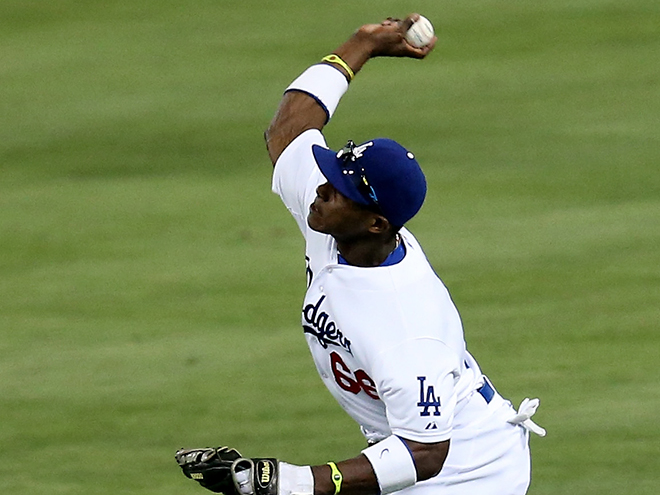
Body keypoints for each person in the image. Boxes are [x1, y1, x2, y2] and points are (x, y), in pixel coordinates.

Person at [176, 13, 544, 495]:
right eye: (332, 173)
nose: (323, 187)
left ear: (376, 222)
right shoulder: (332, 217)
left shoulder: (408, 325)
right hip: (408, 445)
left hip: (468, 472)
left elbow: (425, 453)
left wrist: (293, 483)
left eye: (342, 189)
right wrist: (361, 45)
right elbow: (289, 129)